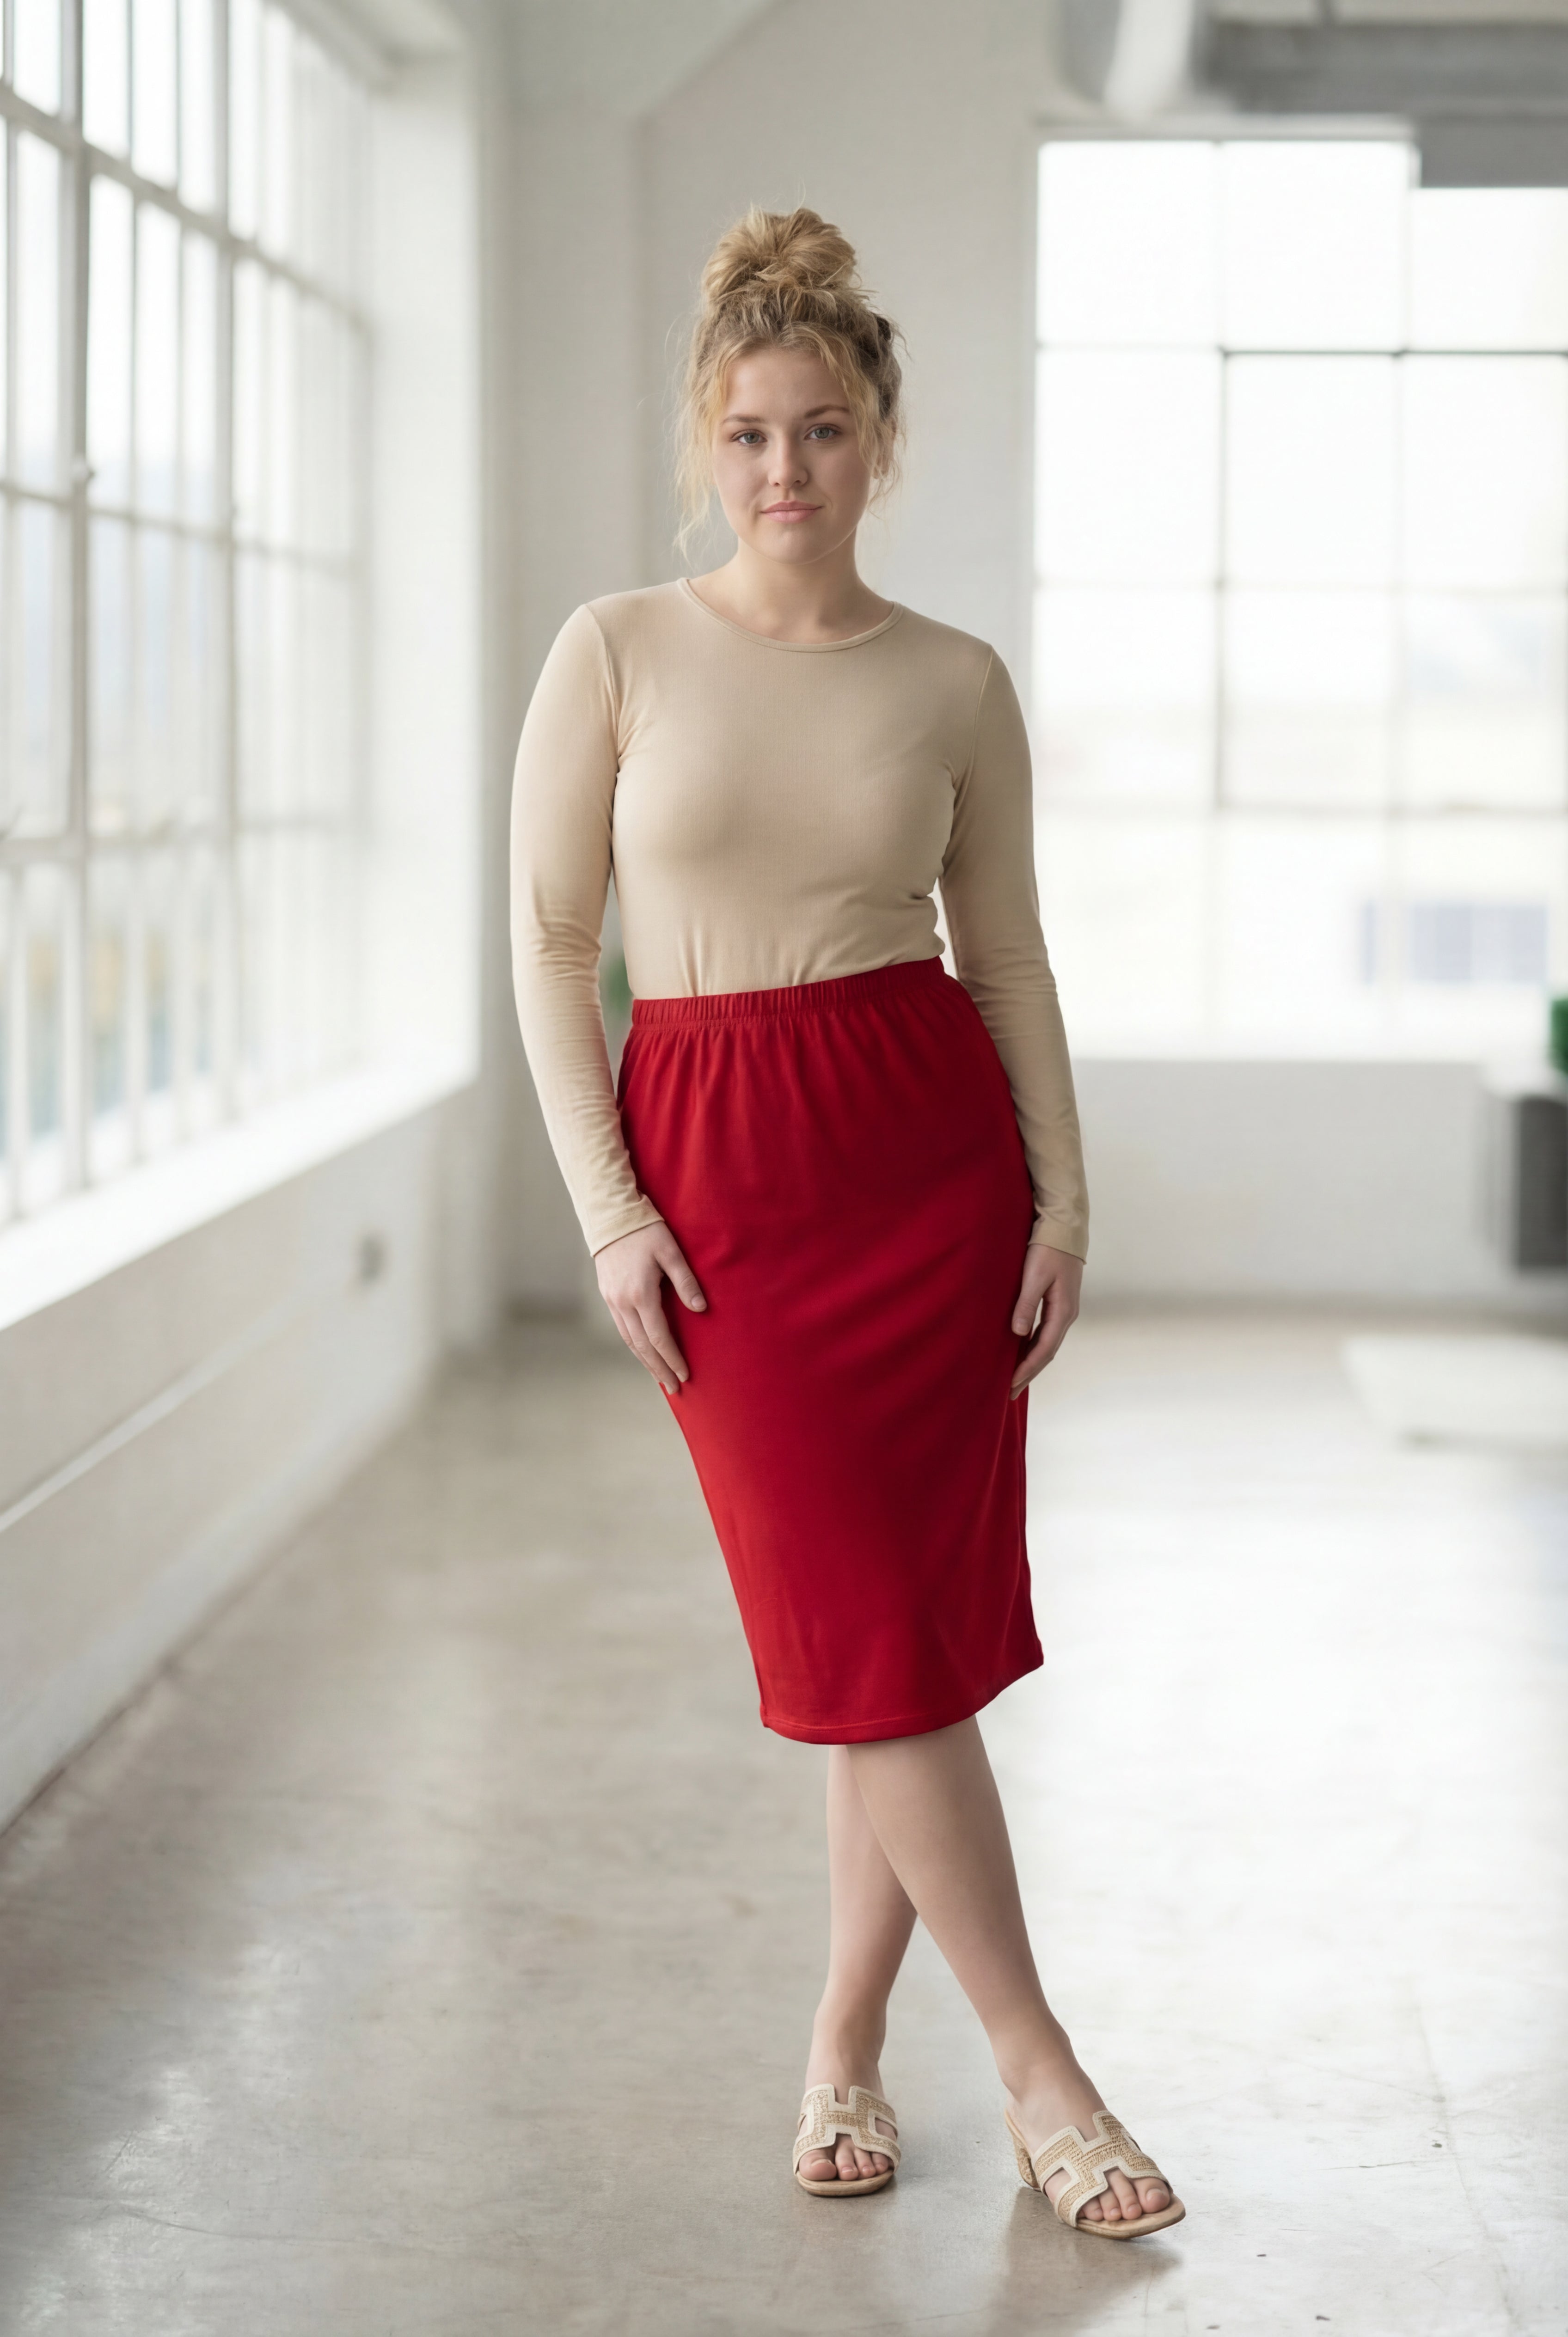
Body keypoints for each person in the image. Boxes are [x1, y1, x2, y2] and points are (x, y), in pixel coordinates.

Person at [509, 206, 1182, 2239]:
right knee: (871, 1642)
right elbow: (553, 946)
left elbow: (1012, 962)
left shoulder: (953, 679)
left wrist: (1060, 1193)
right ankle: (1038, 2061)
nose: (783, 470)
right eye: (746, 435)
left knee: (888, 1640)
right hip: (716, 1174)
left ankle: (839, 2043)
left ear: (880, 438)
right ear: (701, 450)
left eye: (819, 429)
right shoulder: (616, 649)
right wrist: (611, 1213)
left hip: (924, 1159)